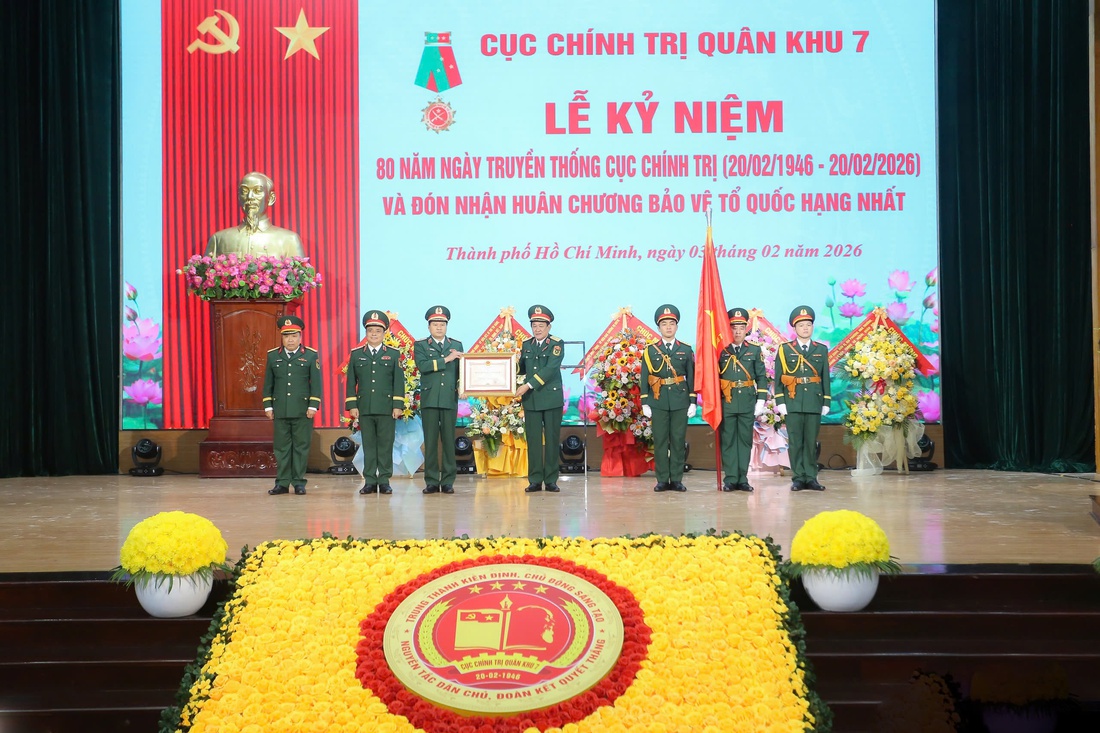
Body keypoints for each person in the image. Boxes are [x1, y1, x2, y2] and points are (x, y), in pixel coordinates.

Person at [346, 311, 405, 495]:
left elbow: (398, 382)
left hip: (386, 408)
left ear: (384, 333)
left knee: (386, 445)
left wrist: (397, 405)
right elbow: (351, 382)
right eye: (370, 330)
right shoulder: (357, 355)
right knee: (369, 445)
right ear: (366, 332)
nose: (374, 334)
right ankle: (370, 480)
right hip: (365, 407)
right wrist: (352, 405)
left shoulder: (393, 354)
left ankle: (384, 480)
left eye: (378, 331)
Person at [773, 305, 832, 491]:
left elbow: (825, 377)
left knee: (811, 442)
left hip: (814, 401)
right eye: (801, 325)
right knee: (796, 441)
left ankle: (811, 477)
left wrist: (826, 401)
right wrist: (780, 401)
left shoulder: (821, 349)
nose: (805, 328)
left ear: (812, 327)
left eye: (808, 325)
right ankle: (798, 477)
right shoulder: (785, 350)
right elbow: (779, 378)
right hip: (793, 401)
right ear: (794, 328)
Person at [263, 315, 321, 495]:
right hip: (280, 410)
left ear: (300, 337)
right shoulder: (273, 356)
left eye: (294, 336)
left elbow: (316, 384)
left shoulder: (310, 355)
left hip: (303, 410)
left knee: (301, 447)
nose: (290, 340)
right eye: (287, 336)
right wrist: (268, 406)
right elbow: (268, 383)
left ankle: (298, 482)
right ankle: (282, 483)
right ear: (282, 337)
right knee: (281, 448)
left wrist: (313, 405)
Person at [640, 305, 696, 492]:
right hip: (658, 400)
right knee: (661, 441)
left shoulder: (686, 350)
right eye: (664, 324)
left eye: (672, 323)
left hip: (680, 400)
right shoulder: (650, 351)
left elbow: (691, 377)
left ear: (677, 326)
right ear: (659, 328)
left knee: (678, 441)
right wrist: (645, 402)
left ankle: (677, 479)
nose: (668, 327)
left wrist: (693, 401)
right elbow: (644, 377)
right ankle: (662, 479)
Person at [414, 305, 463, 495]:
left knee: (449, 441)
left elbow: (461, 371)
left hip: (449, 398)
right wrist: (447, 359)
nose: (439, 327)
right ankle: (432, 481)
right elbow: (423, 366)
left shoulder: (456, 344)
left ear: (447, 325)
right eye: (435, 324)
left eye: (442, 324)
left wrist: (463, 386)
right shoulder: (421, 345)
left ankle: (448, 481)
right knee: (431, 441)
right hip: (430, 399)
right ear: (429, 326)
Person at [718, 307, 769, 492]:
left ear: (746, 329)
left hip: (747, 401)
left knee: (745, 441)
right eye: (734, 327)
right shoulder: (721, 350)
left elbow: (761, 377)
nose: (738, 332)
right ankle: (731, 479)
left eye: (741, 327)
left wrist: (761, 400)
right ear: (728, 328)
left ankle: (742, 478)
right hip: (727, 401)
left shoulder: (754, 350)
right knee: (729, 441)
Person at [516, 305, 564, 493]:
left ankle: (551, 480)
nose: (537, 329)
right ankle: (535, 480)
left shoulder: (557, 344)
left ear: (548, 327)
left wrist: (528, 385)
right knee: (533, 441)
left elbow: (550, 369)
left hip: (551, 398)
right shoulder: (527, 344)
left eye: (541, 326)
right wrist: (506, 365)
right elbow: (521, 368)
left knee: (551, 440)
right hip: (532, 400)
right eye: (534, 325)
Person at [204, 172, 305, 258]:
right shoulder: (219, 239)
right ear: (239, 197)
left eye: (257, 191)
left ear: (271, 198)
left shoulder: (289, 240)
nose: (250, 197)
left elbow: (300, 274)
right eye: (244, 191)